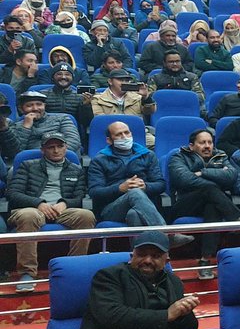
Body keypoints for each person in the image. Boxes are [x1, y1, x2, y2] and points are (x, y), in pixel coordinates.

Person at [55, 232, 200, 329]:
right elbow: (110, 316)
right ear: (132, 255)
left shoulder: (173, 282)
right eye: (142, 254)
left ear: (166, 260)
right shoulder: (109, 276)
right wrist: (166, 315)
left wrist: (184, 313)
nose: (147, 260)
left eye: (155, 256)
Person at [8, 133, 94, 293]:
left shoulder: (76, 169)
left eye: (60, 146)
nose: (56, 150)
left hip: (62, 210)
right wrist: (39, 203)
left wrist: (64, 203)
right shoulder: (28, 165)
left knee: (86, 216)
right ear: (43, 150)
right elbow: (13, 193)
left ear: (66, 147)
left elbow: (80, 195)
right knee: (29, 216)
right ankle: (27, 273)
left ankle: (73, 268)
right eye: (51, 147)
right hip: (32, 209)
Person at [89, 121, 193, 246]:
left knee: (134, 214)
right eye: (119, 134)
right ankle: (167, 235)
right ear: (109, 140)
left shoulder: (148, 155)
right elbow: (94, 192)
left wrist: (146, 186)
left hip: (145, 206)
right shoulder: (99, 160)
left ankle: (142, 257)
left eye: (127, 132)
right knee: (134, 192)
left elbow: (160, 184)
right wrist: (120, 188)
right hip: (112, 209)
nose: (124, 137)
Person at [168, 129, 240, 279]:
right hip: (185, 204)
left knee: (212, 206)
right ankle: (238, 219)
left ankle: (205, 261)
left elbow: (231, 177)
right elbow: (184, 180)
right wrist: (217, 177)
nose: (207, 146)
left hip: (213, 203)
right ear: (191, 146)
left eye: (210, 142)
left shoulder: (221, 155)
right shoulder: (178, 157)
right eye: (202, 142)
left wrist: (203, 172)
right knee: (210, 189)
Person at [0, 91, 83, 160]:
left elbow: (73, 141)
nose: (35, 108)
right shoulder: (16, 126)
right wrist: (25, 127)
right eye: (29, 105)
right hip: (30, 164)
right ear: (21, 109)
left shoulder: (62, 118)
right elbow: (16, 153)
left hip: (61, 159)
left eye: (39, 104)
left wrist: (53, 155)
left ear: (44, 106)